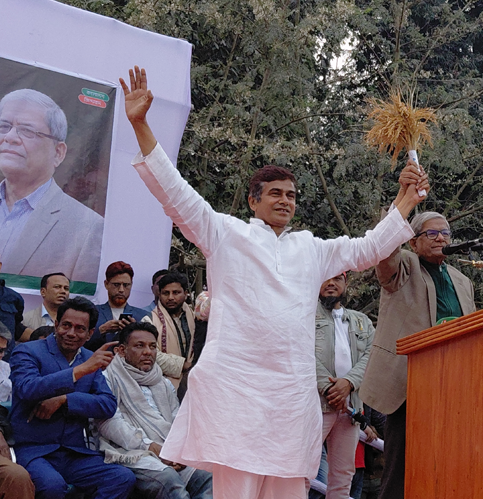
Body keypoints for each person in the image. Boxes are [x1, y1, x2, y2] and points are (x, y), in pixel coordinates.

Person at [121, 66, 429, 499]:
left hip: (291, 396)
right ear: (254, 200)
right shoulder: (224, 233)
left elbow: (368, 248)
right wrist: (140, 124)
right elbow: (174, 192)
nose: (286, 201)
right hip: (237, 390)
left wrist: (405, 201)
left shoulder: (311, 248)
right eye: (276, 194)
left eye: (292, 195)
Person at [359, 210, 475, 499]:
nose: (440, 239)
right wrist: (402, 206)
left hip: (453, 385)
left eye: (445, 233)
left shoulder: (462, 280)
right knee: (401, 469)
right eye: (431, 233)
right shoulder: (405, 265)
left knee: (444, 464)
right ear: (413, 242)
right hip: (408, 384)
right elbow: (386, 254)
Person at [9, 296, 135, 498]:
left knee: (121, 478)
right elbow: (27, 388)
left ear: (90, 333)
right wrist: (80, 370)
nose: (71, 333)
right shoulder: (27, 351)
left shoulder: (89, 358)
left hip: (73, 452)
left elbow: (108, 404)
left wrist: (66, 400)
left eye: (80, 328)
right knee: (52, 486)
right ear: (56, 324)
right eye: (66, 325)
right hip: (34, 451)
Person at [98, 322, 213, 499]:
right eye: (139, 346)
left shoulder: (162, 382)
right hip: (131, 451)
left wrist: (175, 450)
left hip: (169, 449)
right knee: (169, 480)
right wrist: (151, 447)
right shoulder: (107, 379)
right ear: (121, 351)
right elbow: (110, 423)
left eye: (152, 346)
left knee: (208, 477)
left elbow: (177, 419)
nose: (148, 352)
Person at [0, 89, 103, 283]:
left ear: (58, 153)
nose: (10, 137)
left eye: (27, 131)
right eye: (4, 126)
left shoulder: (87, 228)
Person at [314, 272, 375, 499]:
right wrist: (329, 388)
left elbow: (372, 355)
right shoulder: (304, 316)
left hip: (350, 408)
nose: (331, 283)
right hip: (316, 405)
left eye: (337, 278)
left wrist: (349, 383)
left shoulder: (362, 321)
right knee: (300, 471)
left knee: (343, 477)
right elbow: (301, 353)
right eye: (326, 277)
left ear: (346, 283)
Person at [148, 272, 195, 395]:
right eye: (166, 293)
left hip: (195, 381)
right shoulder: (149, 320)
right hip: (162, 385)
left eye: (176, 292)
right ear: (159, 294)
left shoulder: (195, 317)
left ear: (185, 293)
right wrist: (183, 365)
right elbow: (151, 354)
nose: (170, 297)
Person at [88, 261, 150, 351]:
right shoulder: (92, 312)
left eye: (126, 285)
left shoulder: (143, 316)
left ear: (131, 285)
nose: (121, 290)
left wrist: (135, 332)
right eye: (116, 285)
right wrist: (102, 330)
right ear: (106, 284)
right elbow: (80, 345)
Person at [21, 272, 70, 337]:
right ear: (43, 292)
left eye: (66, 288)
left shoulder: (74, 320)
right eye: (57, 287)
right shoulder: (25, 320)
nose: (63, 291)